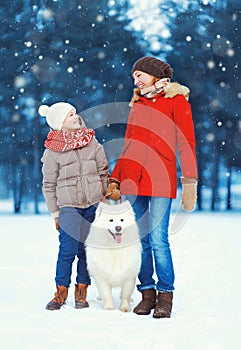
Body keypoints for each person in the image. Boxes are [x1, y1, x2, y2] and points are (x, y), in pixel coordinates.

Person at [106, 56, 198, 318]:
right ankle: (147, 293)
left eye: (139, 75)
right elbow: (128, 144)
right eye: (134, 76)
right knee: (142, 241)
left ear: (154, 75)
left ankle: (165, 296)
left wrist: (189, 180)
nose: (135, 80)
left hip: (161, 180)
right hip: (134, 180)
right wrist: (116, 178)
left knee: (159, 241)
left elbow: (186, 142)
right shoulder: (138, 104)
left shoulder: (176, 101)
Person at [39, 102, 109, 311]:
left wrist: (106, 198)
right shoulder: (53, 150)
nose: (75, 116)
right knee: (67, 250)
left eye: (74, 113)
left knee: (86, 250)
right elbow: (48, 185)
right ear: (60, 123)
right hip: (68, 206)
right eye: (69, 115)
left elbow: (103, 170)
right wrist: (55, 213)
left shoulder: (91, 141)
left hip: (93, 204)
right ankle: (60, 292)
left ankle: (82, 290)